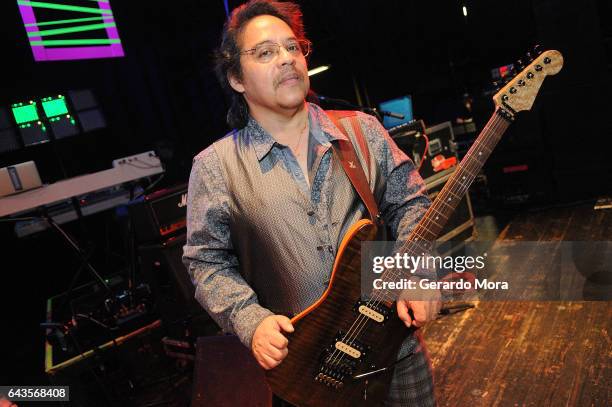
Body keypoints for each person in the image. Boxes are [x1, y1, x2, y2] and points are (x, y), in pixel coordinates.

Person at [182, 1, 440, 405]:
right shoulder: (215, 169)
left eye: (292, 47)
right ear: (235, 78)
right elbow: (206, 262)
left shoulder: (363, 132)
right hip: (311, 375)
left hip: (396, 353)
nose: (286, 59)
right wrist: (251, 320)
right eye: (265, 52)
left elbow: (411, 204)